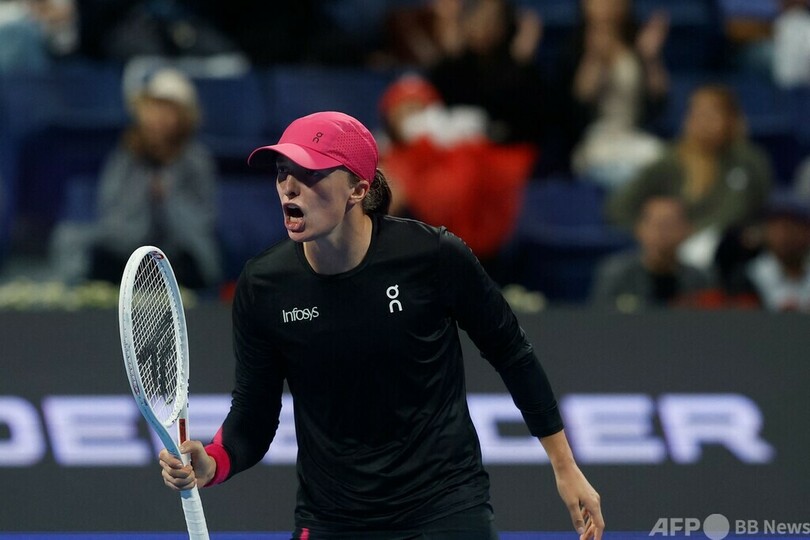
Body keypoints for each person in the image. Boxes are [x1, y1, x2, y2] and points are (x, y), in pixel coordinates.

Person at [158, 111, 604, 539]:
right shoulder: (264, 286)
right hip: (333, 517)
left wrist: (564, 466)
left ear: (358, 188)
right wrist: (213, 461)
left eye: (310, 174)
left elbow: (512, 353)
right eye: (282, 172)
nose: (289, 187)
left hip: (445, 507)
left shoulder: (432, 257)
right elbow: (254, 414)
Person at [606, 84, 774, 270]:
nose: (704, 122)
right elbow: (620, 205)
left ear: (731, 119)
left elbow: (743, 208)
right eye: (697, 114)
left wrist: (692, 231)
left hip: (732, 248)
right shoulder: (671, 160)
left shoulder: (748, 160)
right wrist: (648, 230)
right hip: (675, 247)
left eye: (713, 114)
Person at [87, 67, 221, 289]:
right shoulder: (126, 155)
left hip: (180, 254)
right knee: (100, 260)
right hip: (127, 251)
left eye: (168, 110)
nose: (158, 118)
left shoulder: (197, 160)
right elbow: (110, 212)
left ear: (184, 116)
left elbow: (202, 222)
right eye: (154, 108)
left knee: (186, 267)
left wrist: (169, 198)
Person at [553, 0, 670, 187]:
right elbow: (574, 109)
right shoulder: (573, 49)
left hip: (633, 137)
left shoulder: (638, 45)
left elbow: (658, 103)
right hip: (594, 140)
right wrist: (594, 59)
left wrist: (650, 59)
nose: (606, 6)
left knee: (665, 160)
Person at [591, 195, 712, 311]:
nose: (661, 233)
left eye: (669, 225)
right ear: (639, 229)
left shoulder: (699, 279)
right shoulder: (616, 274)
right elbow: (601, 318)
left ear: (687, 230)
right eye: (655, 225)